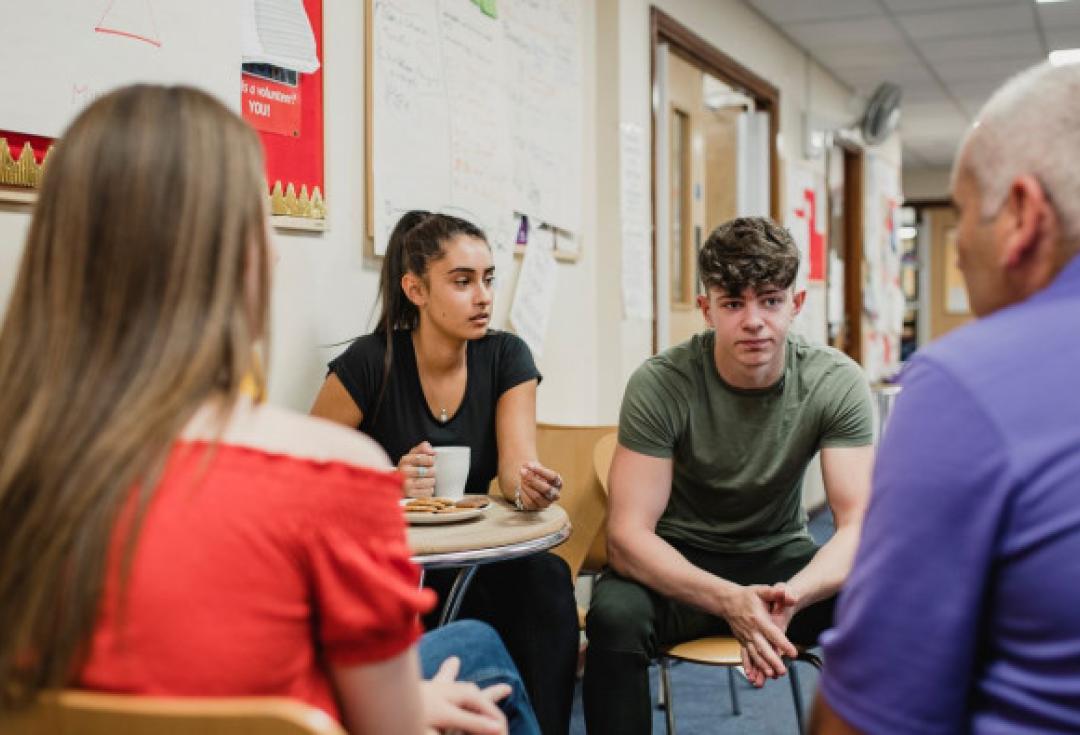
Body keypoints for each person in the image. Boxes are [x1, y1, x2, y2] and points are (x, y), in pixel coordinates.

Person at [0, 84, 537, 735]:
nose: (278, 251)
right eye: (264, 223)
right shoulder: (335, 473)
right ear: (239, 260)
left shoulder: (21, 457)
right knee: (477, 650)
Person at [812, 61, 1080, 734]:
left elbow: (865, 715)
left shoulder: (965, 382)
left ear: (1021, 215)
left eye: (961, 215)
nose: (956, 247)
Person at [583, 217, 875, 735]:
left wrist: (796, 596)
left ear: (796, 304)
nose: (754, 321)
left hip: (781, 561)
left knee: (881, 600)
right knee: (614, 616)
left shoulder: (835, 382)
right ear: (706, 309)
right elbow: (628, 540)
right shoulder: (662, 382)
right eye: (734, 303)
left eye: (770, 300)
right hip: (680, 563)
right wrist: (727, 600)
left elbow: (856, 528)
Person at [310, 211, 579, 735]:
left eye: (488, 279)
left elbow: (514, 468)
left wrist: (528, 486)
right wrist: (387, 483)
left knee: (545, 579)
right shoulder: (371, 362)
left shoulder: (506, 356)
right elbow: (306, 477)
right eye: (462, 282)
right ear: (416, 290)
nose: (482, 296)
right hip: (392, 564)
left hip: (476, 561)